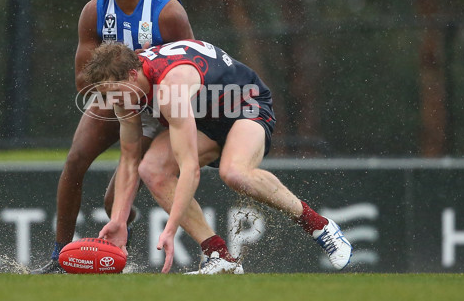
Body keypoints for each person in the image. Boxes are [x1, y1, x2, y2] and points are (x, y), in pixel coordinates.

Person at [32, 0, 236, 274]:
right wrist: (119, 93)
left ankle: (117, 249)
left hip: (159, 107)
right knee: (75, 160)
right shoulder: (94, 12)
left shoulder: (167, 12)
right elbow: (83, 80)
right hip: (117, 100)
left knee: (115, 198)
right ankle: (59, 256)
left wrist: (157, 104)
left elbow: (193, 69)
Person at [87, 40, 353, 273]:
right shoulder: (125, 94)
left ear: (133, 75)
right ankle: (219, 256)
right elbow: (130, 159)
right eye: (104, 96)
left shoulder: (171, 86)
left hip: (245, 105)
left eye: (114, 93)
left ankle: (321, 227)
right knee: (152, 170)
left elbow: (190, 167)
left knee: (234, 173)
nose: (112, 102)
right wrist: (119, 220)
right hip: (206, 119)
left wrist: (170, 229)